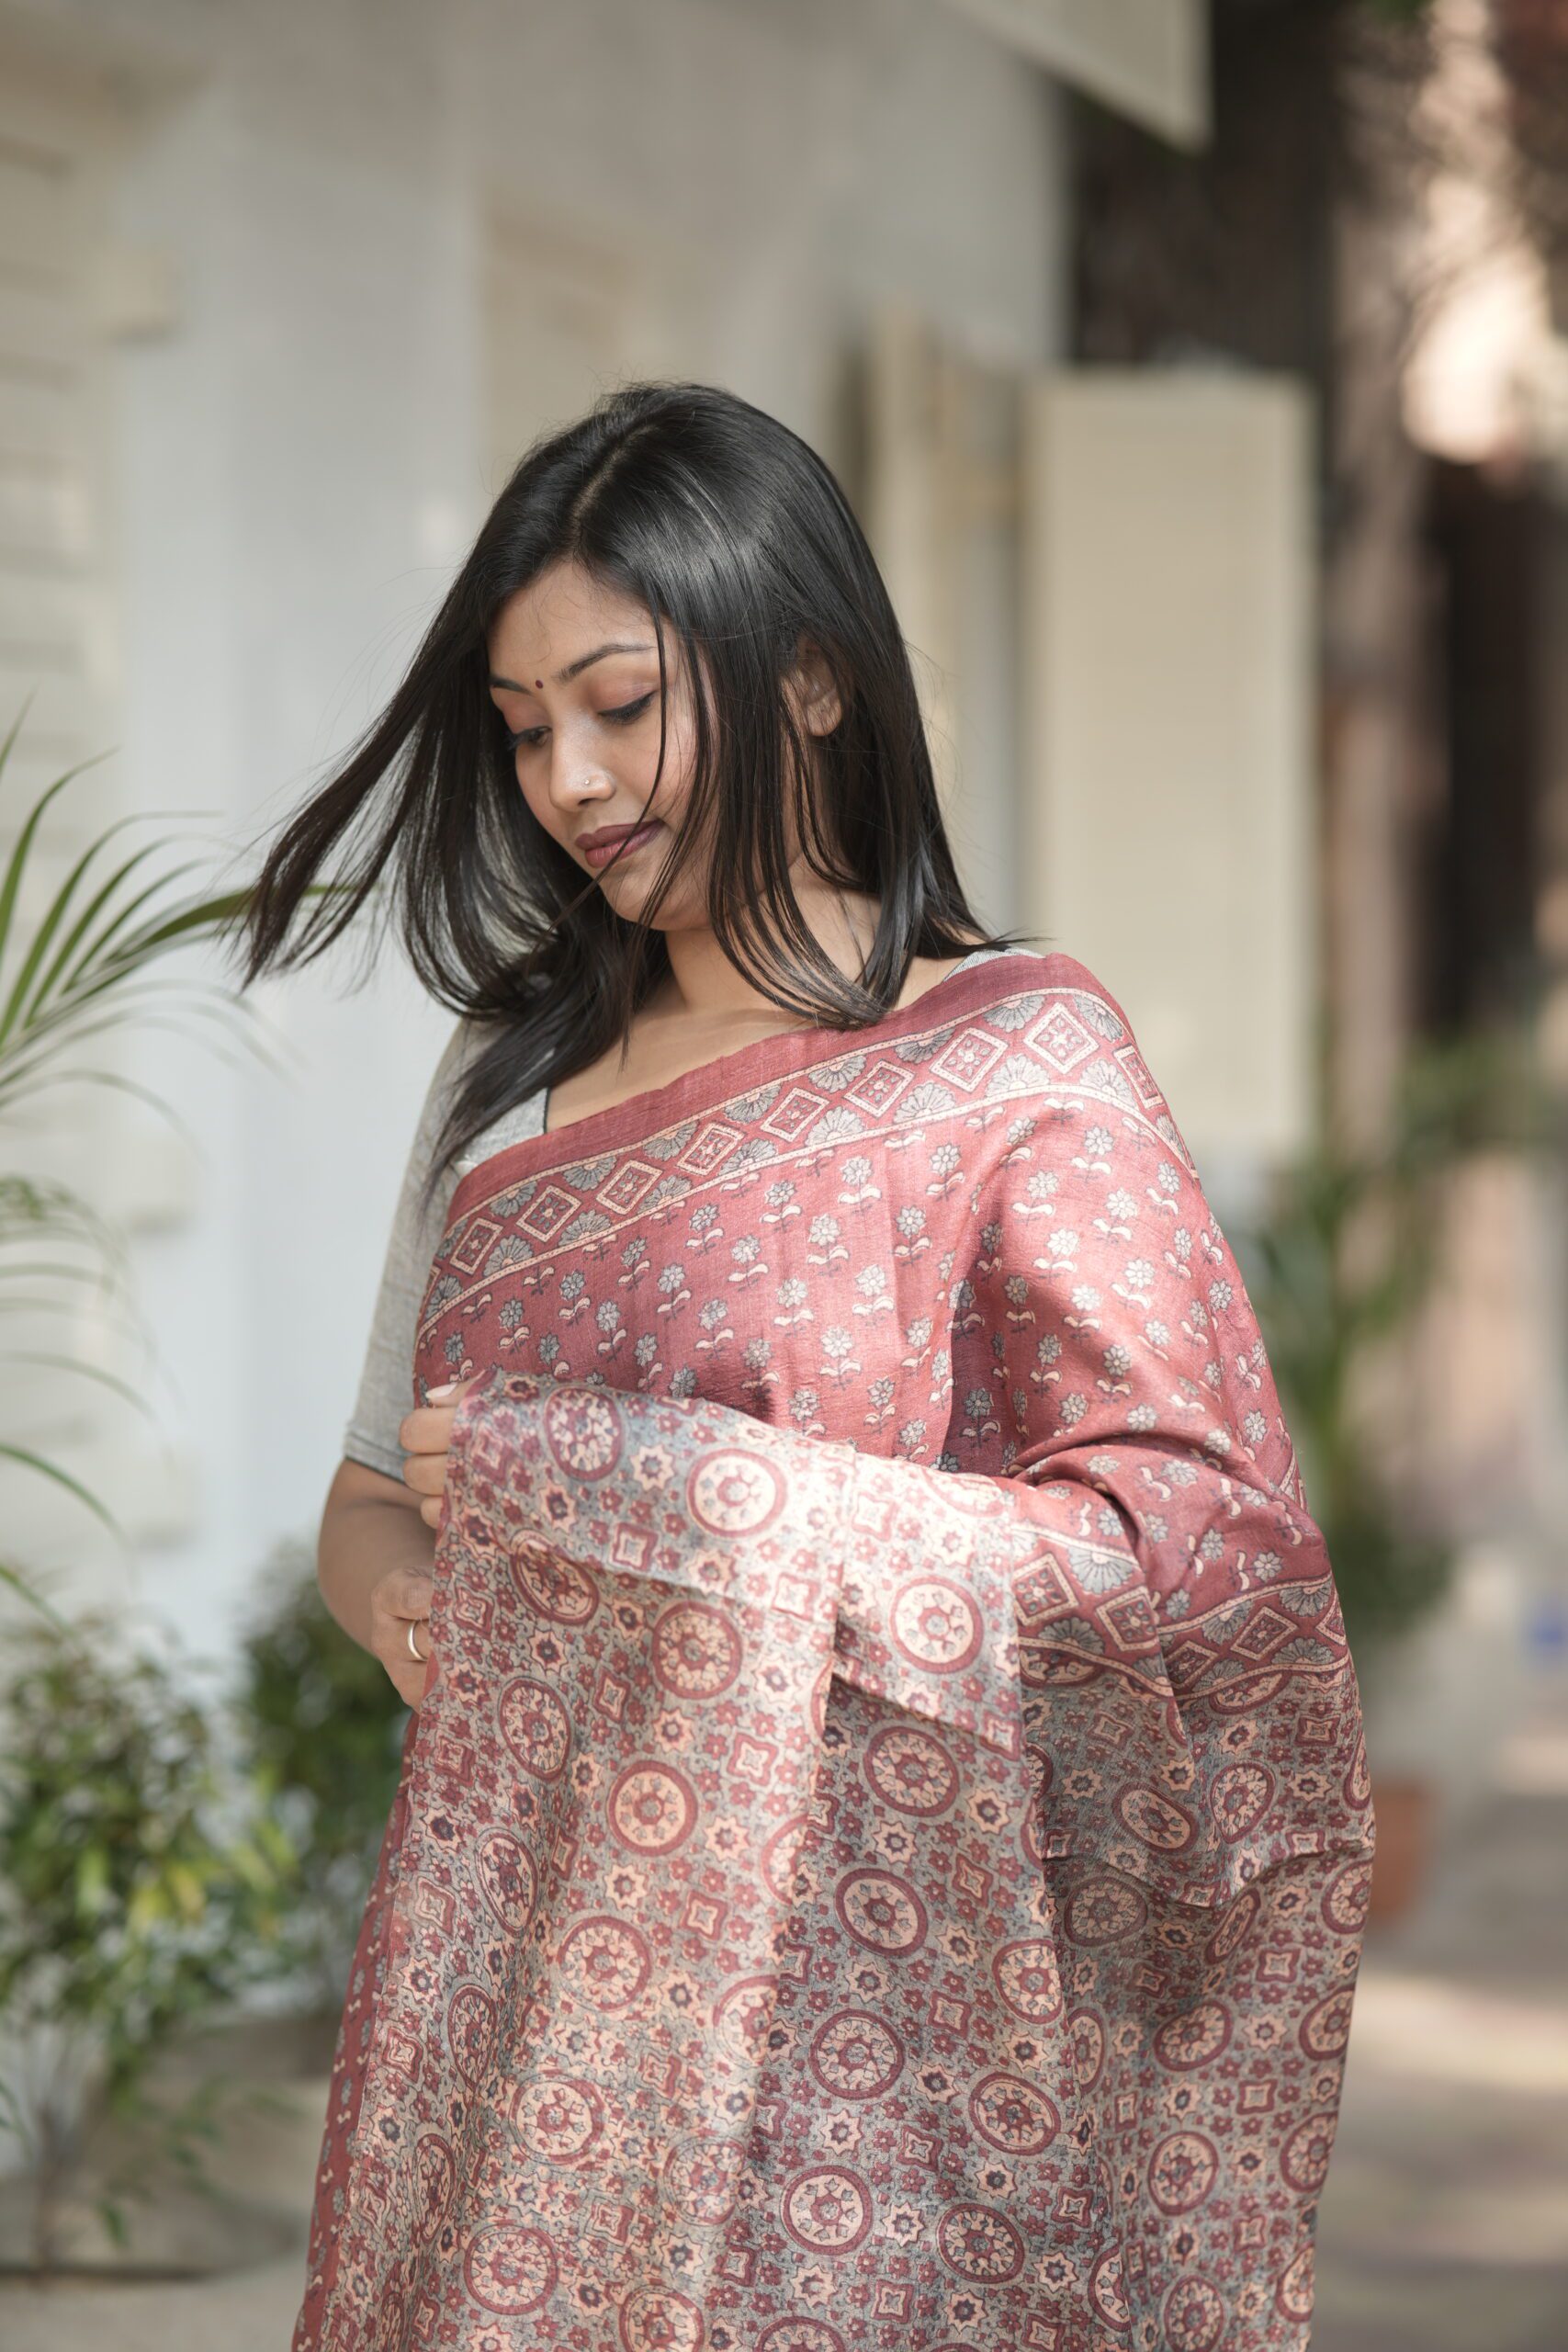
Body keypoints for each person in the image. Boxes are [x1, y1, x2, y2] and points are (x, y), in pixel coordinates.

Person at [231, 380, 1373, 2352]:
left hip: (887, 2046)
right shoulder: (505, 1078)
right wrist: (421, 1602)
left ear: (816, 676)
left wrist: (665, 1504)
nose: (572, 777)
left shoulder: (1017, 1063)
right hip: (526, 2004)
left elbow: (1190, 1564)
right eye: (524, 730)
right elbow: (372, 1487)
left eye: (619, 702)